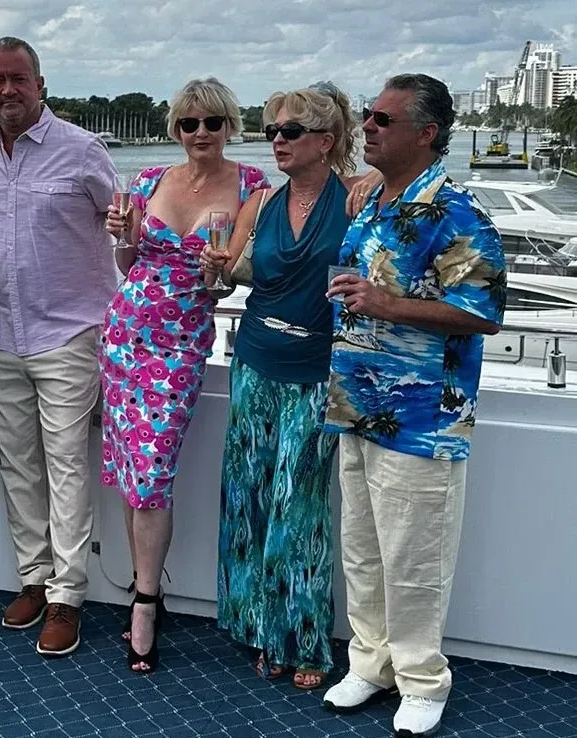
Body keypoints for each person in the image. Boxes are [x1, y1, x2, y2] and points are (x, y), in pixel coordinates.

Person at [321, 74, 506, 737]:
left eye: (381, 119)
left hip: (424, 417)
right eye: (367, 116)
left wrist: (387, 304)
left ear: (425, 134)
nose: (366, 126)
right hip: (356, 401)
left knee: (414, 559)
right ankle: (371, 661)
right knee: (364, 551)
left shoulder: (457, 211)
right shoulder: (374, 202)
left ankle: (423, 678)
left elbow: (482, 314)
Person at [201, 82, 380, 689]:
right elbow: (232, 281)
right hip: (254, 359)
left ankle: (301, 636)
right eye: (272, 131)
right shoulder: (263, 203)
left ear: (325, 142)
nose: (275, 141)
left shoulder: (356, 198)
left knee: (297, 504)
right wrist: (215, 272)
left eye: (290, 132)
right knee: (250, 498)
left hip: (317, 372)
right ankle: (256, 625)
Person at [0, 36, 117, 657]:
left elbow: (126, 232)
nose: (7, 90)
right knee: (19, 462)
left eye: (18, 78)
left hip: (70, 331)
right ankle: (32, 577)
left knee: (69, 463)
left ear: (40, 82)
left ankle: (67, 595)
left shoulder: (83, 150)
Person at [102, 77, 268, 673]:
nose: (201, 134)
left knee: (150, 472)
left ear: (230, 126)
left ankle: (145, 600)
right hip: (125, 335)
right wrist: (122, 240)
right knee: (129, 468)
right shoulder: (148, 182)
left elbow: (225, 281)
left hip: (180, 344)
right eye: (189, 124)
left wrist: (216, 271)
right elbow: (128, 265)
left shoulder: (253, 187)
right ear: (176, 129)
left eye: (212, 123)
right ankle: (149, 590)